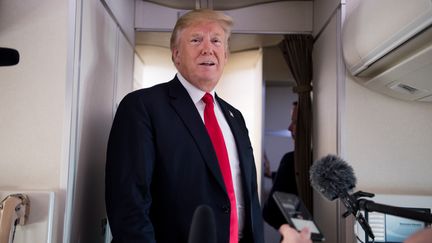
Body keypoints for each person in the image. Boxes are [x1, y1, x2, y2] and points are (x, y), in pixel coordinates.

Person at [105, 9, 264, 243]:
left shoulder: (235, 117)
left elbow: (249, 198)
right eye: (196, 40)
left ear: (226, 55)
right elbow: (129, 202)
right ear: (176, 54)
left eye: (216, 41)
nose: (208, 48)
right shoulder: (142, 107)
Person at [262, 101, 299, 230]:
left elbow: (271, 214)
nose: (289, 128)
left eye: (294, 122)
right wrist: (270, 174)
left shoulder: (291, 161)